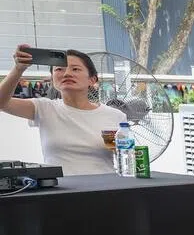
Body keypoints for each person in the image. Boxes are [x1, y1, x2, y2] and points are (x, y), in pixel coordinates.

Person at [0, 45, 123, 175]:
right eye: (59, 69)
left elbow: (124, 155)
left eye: (75, 69)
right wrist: (18, 69)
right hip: (60, 189)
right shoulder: (44, 109)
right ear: (52, 79)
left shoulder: (114, 116)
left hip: (106, 188)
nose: (67, 73)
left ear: (92, 80)